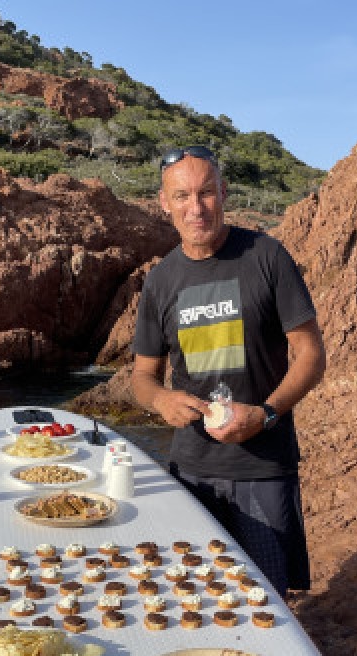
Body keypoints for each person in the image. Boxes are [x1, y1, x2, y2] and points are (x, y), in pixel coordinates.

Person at [130, 145, 327, 597]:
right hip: (190, 471)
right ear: (164, 203)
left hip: (263, 470)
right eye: (181, 196)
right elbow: (142, 375)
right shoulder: (161, 280)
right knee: (196, 597)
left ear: (223, 193)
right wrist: (160, 399)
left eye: (205, 193)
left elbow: (311, 355)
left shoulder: (267, 256)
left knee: (268, 600)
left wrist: (266, 414)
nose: (195, 208)